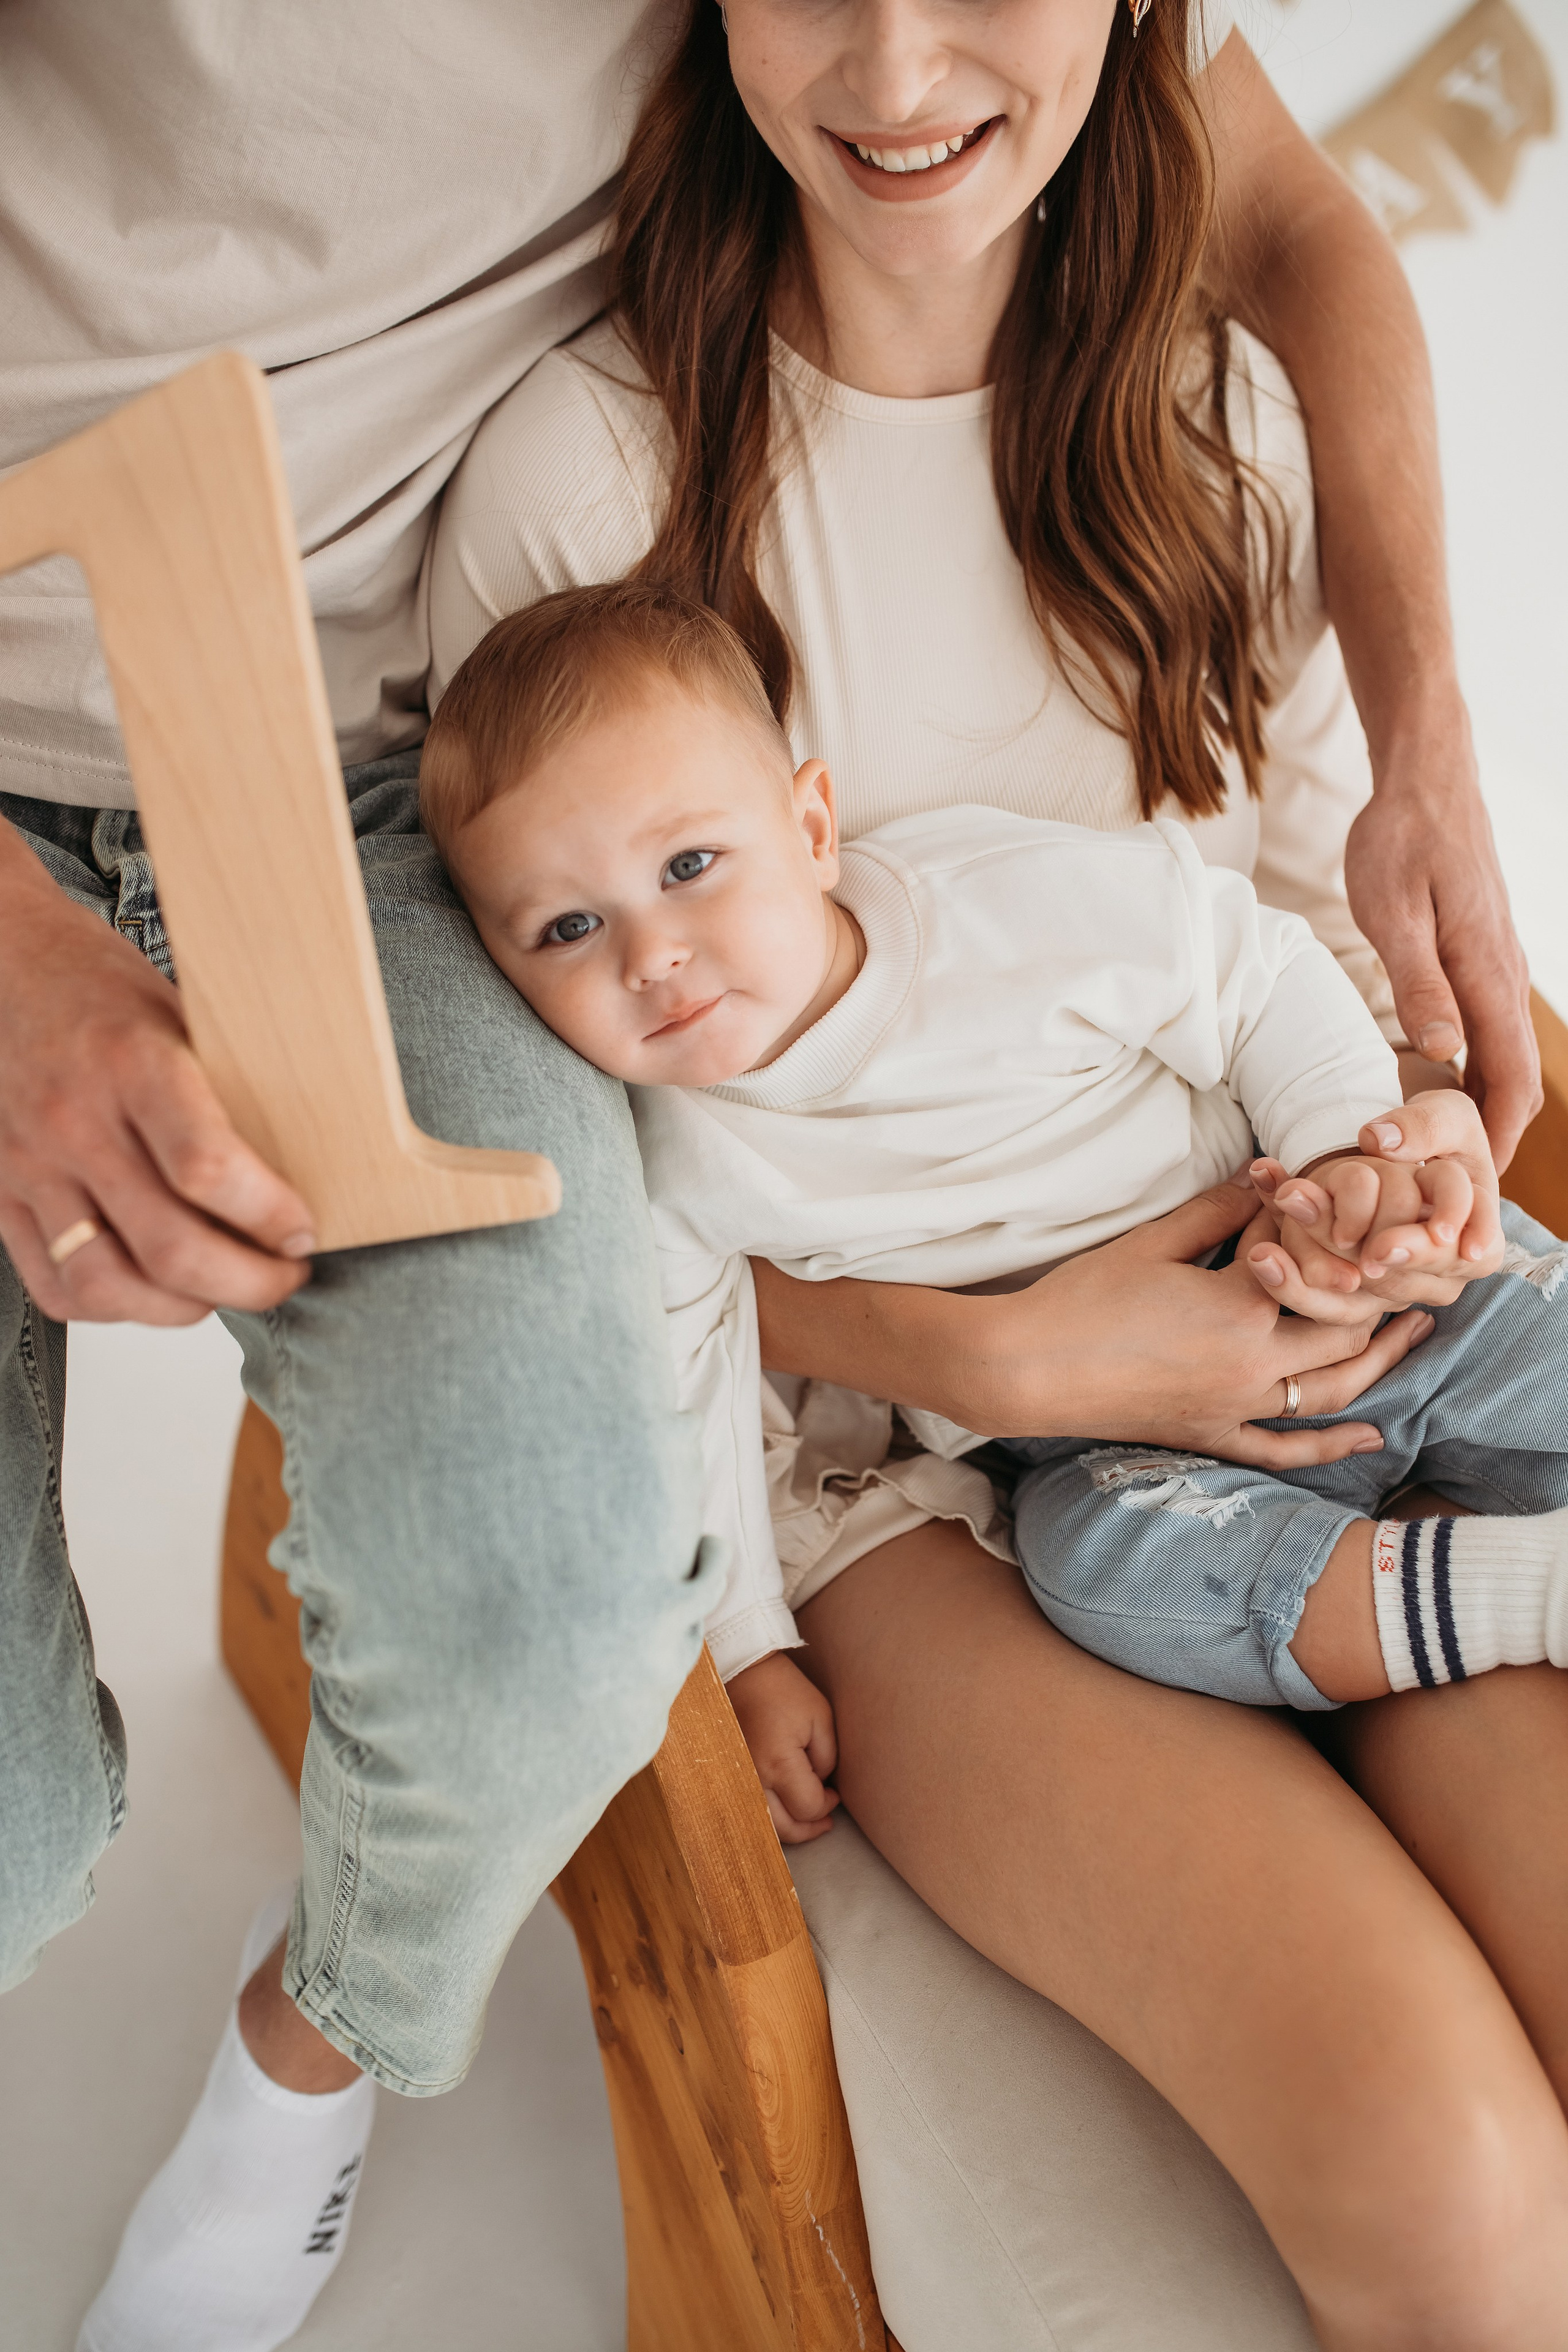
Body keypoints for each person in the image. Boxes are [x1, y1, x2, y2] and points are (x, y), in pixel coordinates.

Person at [0, 3, 1541, 2348]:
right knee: (1451, 2178)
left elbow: (1307, 920)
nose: (900, 63)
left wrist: (1394, 1145)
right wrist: (979, 1357)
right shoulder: (579, 485)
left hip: (1293, 1332)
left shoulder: (1213, 425)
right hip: (902, 1489)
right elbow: (628, 1177)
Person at [419, 581, 1566, 1828]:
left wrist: (1343, 1156)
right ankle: (1522, 1593)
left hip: (1305, 1260)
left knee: (1512, 1321)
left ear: (811, 829)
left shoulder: (999, 907)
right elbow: (685, 1391)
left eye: (689, 866)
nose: (650, 956)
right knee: (1097, 1574)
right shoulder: (668, 1158)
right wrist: (749, 1643)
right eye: (567, 928)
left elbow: (1252, 972)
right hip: (1099, 1443)